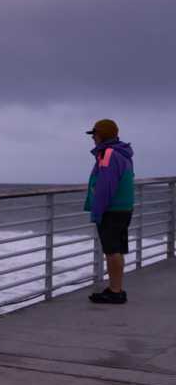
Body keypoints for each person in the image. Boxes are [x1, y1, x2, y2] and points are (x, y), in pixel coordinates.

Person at [83, 118, 134, 304]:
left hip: (112, 210)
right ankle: (116, 288)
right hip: (123, 208)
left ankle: (115, 291)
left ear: (102, 135)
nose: (93, 138)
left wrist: (97, 210)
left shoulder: (108, 154)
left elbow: (106, 185)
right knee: (116, 250)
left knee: (112, 251)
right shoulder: (123, 154)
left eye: (94, 134)